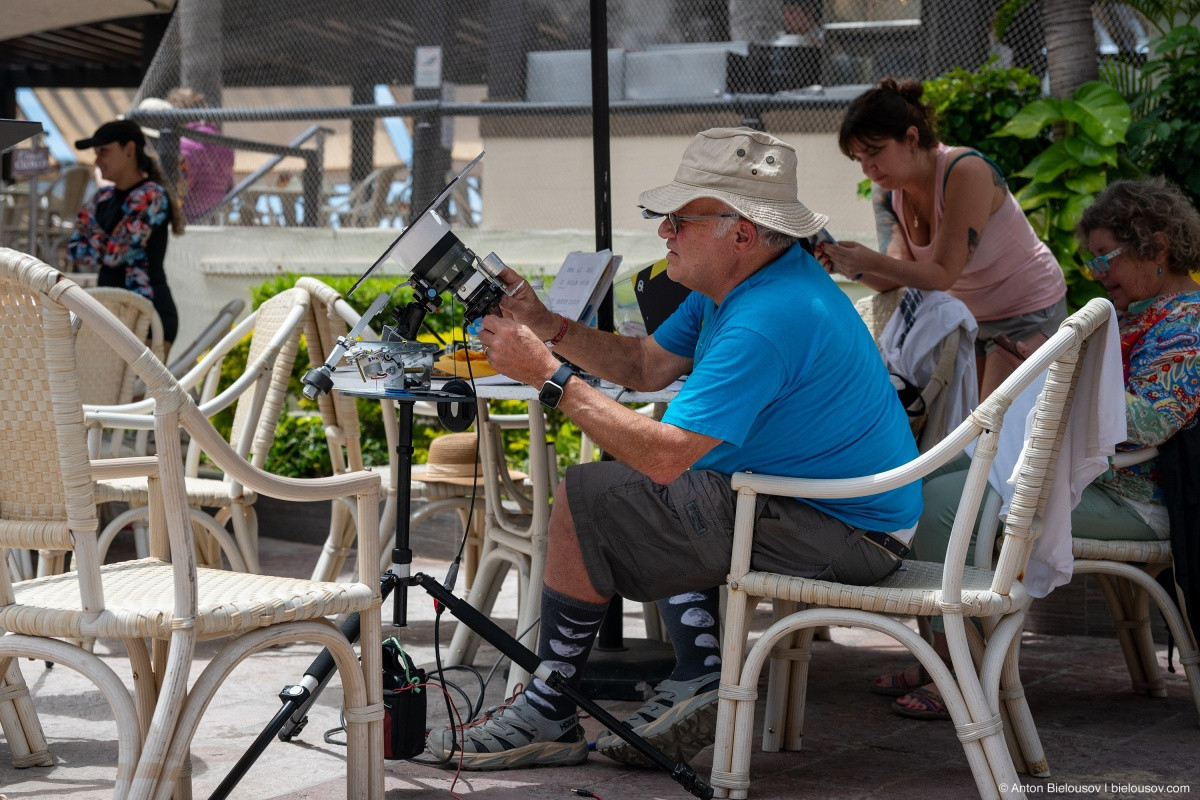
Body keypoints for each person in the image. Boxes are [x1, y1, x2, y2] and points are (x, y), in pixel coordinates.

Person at [426, 127, 924, 770]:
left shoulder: (769, 316)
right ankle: (693, 674)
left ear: (740, 232)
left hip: (847, 533)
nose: (664, 233)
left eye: (679, 219)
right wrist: (546, 325)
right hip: (836, 514)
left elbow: (664, 455)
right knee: (625, 486)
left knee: (592, 493)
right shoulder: (745, 284)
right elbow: (644, 363)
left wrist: (547, 376)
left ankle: (552, 708)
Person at [878, 176, 1200, 720]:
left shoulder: (1187, 325)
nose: (1095, 273)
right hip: (1092, 477)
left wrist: (1061, 372)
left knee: (951, 507)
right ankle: (944, 654)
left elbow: (1150, 423)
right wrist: (1049, 362)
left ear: (1156, 246)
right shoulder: (1134, 315)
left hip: (1136, 499)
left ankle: (964, 670)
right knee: (927, 482)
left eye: (1105, 258)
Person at [816, 78, 1068, 399]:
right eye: (859, 159)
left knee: (989, 432)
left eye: (875, 153)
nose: (868, 169)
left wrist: (868, 260)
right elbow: (897, 274)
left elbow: (942, 273)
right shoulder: (887, 191)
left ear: (911, 137)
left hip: (1028, 311)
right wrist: (850, 267)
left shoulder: (966, 171)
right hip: (968, 320)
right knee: (962, 428)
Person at [67, 119, 184, 349]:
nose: (97, 160)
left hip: (149, 316)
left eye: (104, 151)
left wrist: (93, 234)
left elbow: (114, 255)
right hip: (110, 315)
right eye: (96, 153)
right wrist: (109, 242)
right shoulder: (103, 197)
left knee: (139, 387)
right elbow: (74, 249)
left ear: (129, 149)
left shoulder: (151, 195)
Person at [166, 87, 235, 223]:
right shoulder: (224, 143)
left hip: (187, 219)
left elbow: (179, 189)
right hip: (212, 216)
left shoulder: (186, 146)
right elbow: (229, 185)